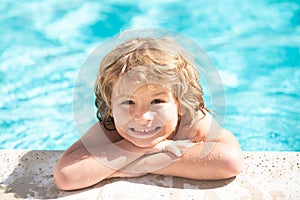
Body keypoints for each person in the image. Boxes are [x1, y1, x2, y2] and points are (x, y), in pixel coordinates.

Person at [54, 37, 243, 191]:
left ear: (180, 104)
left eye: (157, 102)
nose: (142, 117)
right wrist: (140, 149)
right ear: (110, 107)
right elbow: (66, 176)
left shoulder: (189, 120)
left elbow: (230, 161)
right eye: (128, 102)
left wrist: (135, 165)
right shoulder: (112, 127)